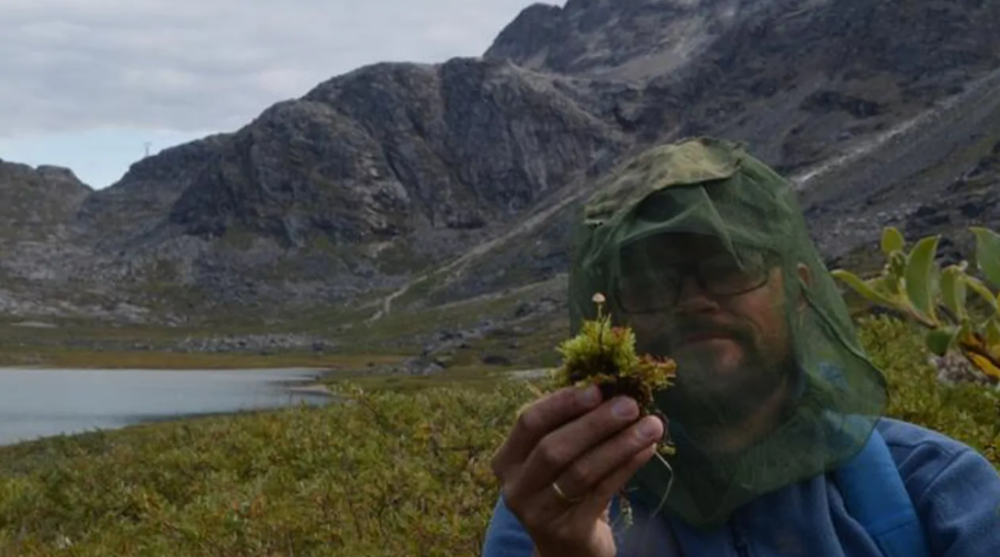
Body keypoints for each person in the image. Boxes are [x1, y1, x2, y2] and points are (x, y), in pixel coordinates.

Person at [481, 137, 1000, 556]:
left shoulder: (941, 491)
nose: (692, 300)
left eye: (729, 262)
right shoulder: (555, 506)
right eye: (651, 280)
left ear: (798, 290)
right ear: (614, 322)